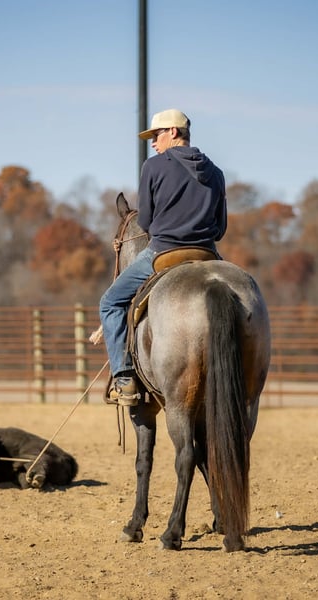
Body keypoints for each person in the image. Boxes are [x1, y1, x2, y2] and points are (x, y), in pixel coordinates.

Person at [99, 108, 227, 406]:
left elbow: (145, 222)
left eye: (156, 135)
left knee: (110, 302)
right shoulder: (216, 173)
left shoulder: (153, 166)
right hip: (207, 253)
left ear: (173, 132)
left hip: (163, 252)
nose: (154, 143)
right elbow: (220, 228)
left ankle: (124, 379)